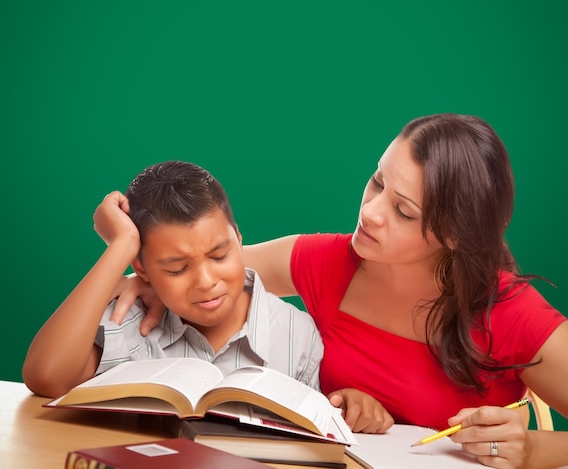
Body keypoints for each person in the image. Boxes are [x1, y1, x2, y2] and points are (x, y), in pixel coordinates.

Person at [111, 114, 568, 468]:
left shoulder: (510, 312)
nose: (370, 212)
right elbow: (206, 268)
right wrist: (142, 272)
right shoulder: (327, 262)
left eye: (402, 211)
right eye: (377, 181)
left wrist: (531, 451)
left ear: (454, 235)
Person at [22, 160, 387, 433]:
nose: (206, 281)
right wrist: (119, 247)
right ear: (143, 269)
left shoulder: (296, 332)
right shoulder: (132, 321)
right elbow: (46, 376)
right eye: (177, 269)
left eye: (219, 255)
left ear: (239, 238)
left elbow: (315, 428)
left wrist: (349, 406)